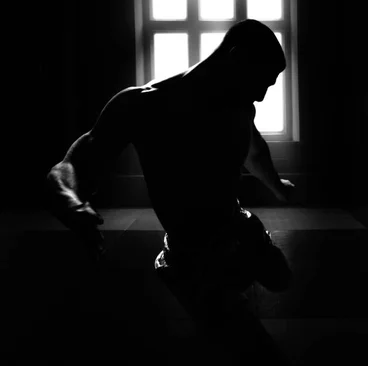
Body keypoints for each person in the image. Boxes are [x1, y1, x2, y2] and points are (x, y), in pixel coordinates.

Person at [45, 19, 294, 364]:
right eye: (261, 82)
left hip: (237, 223)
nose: (262, 96)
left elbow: (254, 150)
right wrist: (71, 203)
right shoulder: (144, 105)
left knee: (280, 278)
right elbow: (71, 164)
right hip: (189, 253)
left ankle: (249, 243)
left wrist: (277, 186)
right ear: (236, 59)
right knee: (250, 350)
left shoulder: (239, 103)